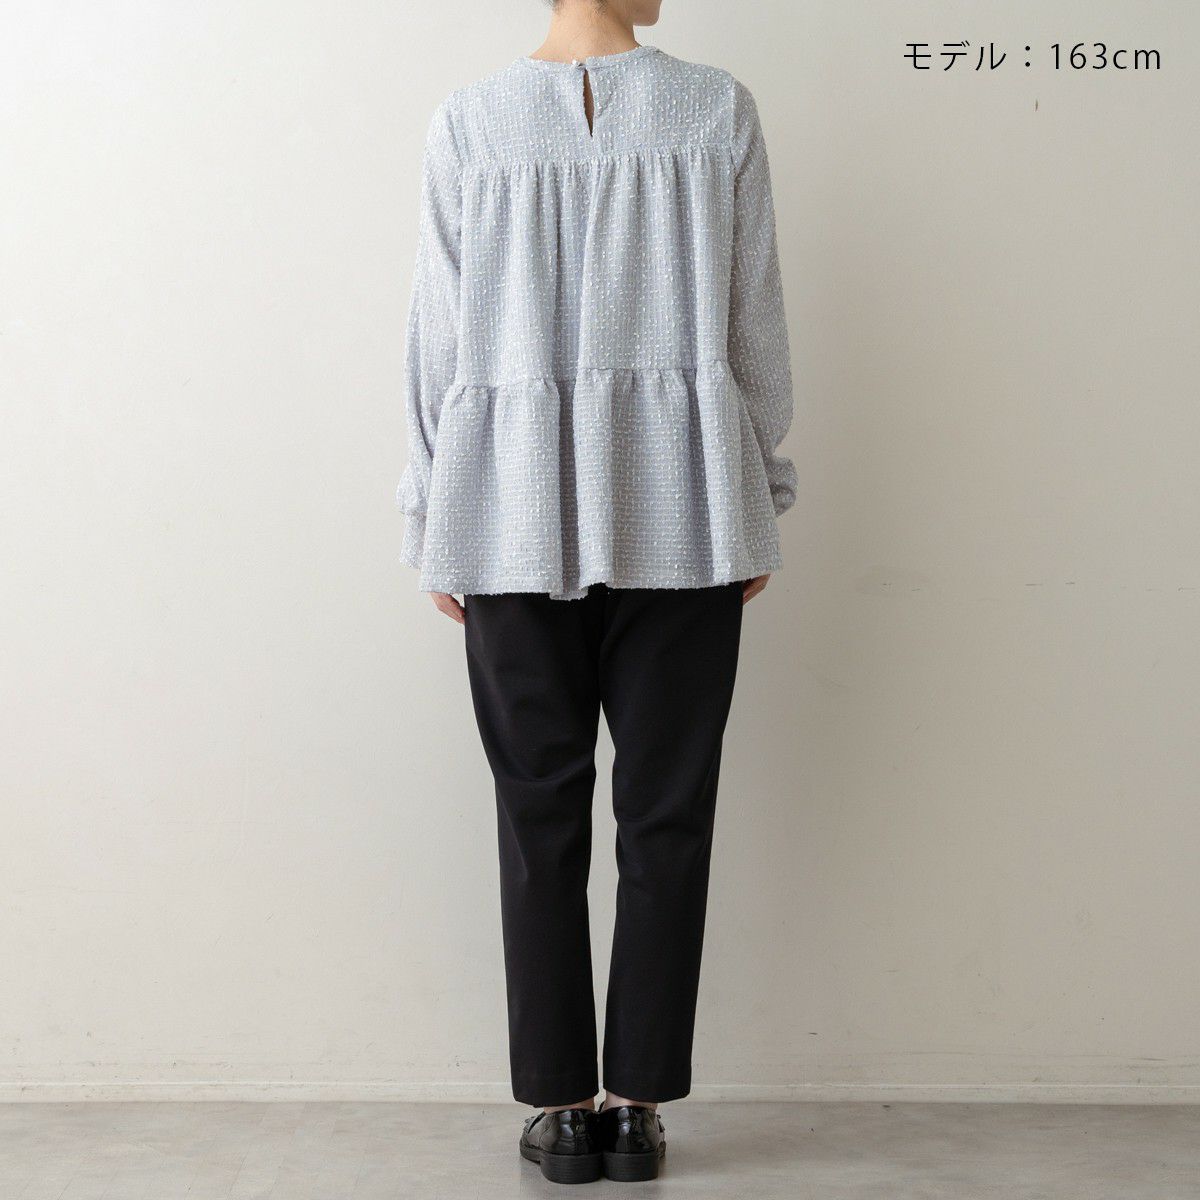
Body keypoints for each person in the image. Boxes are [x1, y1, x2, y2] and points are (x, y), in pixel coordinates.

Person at [396, 0, 796, 1183]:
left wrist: (432, 515)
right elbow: (754, 321)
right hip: (687, 506)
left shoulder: (469, 121)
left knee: (538, 814)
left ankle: (563, 1111)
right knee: (667, 816)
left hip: (508, 513)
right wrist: (761, 487)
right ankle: (638, 1106)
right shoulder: (716, 108)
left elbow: (437, 334)